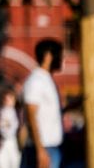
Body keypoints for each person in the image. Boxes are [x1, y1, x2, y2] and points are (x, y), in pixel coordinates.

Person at [22, 39, 63, 168]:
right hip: (42, 147)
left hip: (51, 147)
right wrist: (40, 151)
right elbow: (31, 115)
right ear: (48, 56)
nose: (61, 60)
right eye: (59, 55)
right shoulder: (36, 81)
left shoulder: (46, 79)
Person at [0, 89, 22, 168]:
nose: (8, 102)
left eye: (10, 99)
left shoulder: (19, 113)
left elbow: (21, 128)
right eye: (6, 99)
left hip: (14, 144)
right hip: (2, 144)